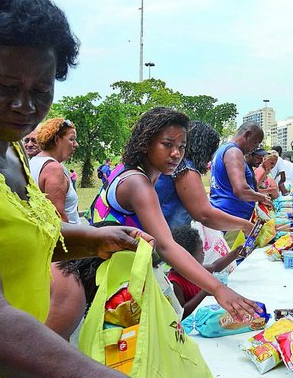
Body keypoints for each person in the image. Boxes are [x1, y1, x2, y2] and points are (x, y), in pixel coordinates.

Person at [0, 0, 247, 378]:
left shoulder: (8, 148)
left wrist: (89, 239)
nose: (25, 106)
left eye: (41, 90)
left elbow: (11, 239)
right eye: (5, 86)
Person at [89, 107, 260, 322]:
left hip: (119, 273)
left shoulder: (135, 172)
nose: (176, 154)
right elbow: (165, 245)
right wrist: (218, 289)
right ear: (145, 142)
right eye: (167, 144)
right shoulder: (138, 184)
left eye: (181, 147)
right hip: (115, 281)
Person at [155, 120, 253, 234]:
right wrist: (245, 225)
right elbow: (205, 215)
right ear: (204, 148)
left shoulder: (177, 165)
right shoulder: (186, 169)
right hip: (164, 235)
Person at [169, 226, 243, 318]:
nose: (204, 253)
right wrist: (204, 292)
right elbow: (182, 312)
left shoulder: (195, 269)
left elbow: (216, 266)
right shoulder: (175, 283)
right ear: (188, 257)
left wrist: (236, 253)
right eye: (201, 251)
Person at [210, 122, 272, 220]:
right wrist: (262, 198)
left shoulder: (223, 149)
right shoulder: (234, 152)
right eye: (255, 143)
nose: (254, 148)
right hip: (230, 216)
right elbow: (241, 190)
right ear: (247, 135)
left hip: (226, 214)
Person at [30, 117, 80, 224]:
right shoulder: (53, 168)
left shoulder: (33, 162)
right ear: (57, 140)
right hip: (69, 239)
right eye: (72, 139)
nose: (76, 144)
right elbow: (58, 218)